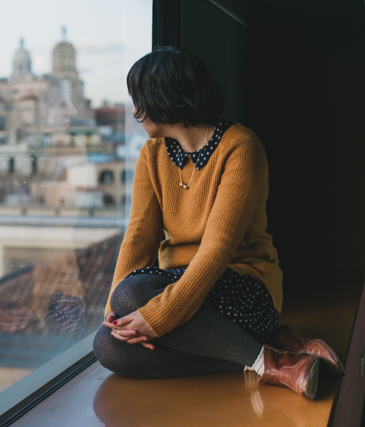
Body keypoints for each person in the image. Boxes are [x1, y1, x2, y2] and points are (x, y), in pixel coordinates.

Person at [92, 47, 344, 400]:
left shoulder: (240, 146)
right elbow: (138, 237)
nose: (135, 110)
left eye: (139, 98)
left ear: (164, 97)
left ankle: (268, 362)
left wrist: (157, 315)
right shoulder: (151, 155)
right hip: (184, 291)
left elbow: (217, 249)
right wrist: (114, 316)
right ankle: (266, 351)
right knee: (108, 346)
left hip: (245, 286)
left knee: (132, 293)